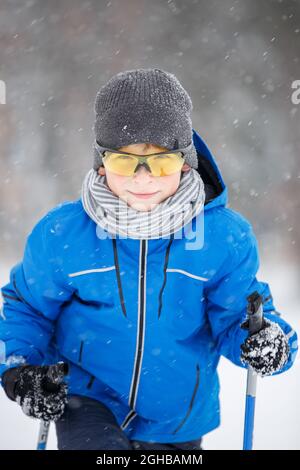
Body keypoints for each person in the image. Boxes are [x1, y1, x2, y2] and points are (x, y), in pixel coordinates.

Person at [0, 68, 297, 450]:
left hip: (178, 414)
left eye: (160, 162)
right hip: (87, 399)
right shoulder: (63, 234)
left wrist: (264, 340)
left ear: (185, 162)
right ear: (102, 162)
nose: (143, 179)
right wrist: (20, 368)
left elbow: (241, 315)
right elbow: (27, 306)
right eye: (126, 162)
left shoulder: (222, 238)